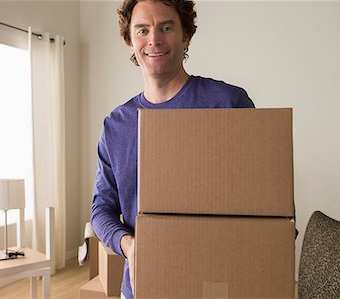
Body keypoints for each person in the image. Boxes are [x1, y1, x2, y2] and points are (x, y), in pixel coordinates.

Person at [90, 0, 255, 298]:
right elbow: (102, 209)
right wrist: (130, 245)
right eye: (142, 30)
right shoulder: (116, 125)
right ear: (130, 41)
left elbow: (266, 200)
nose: (153, 39)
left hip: (218, 284)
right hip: (144, 285)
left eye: (166, 27)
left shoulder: (228, 104)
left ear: (185, 36)